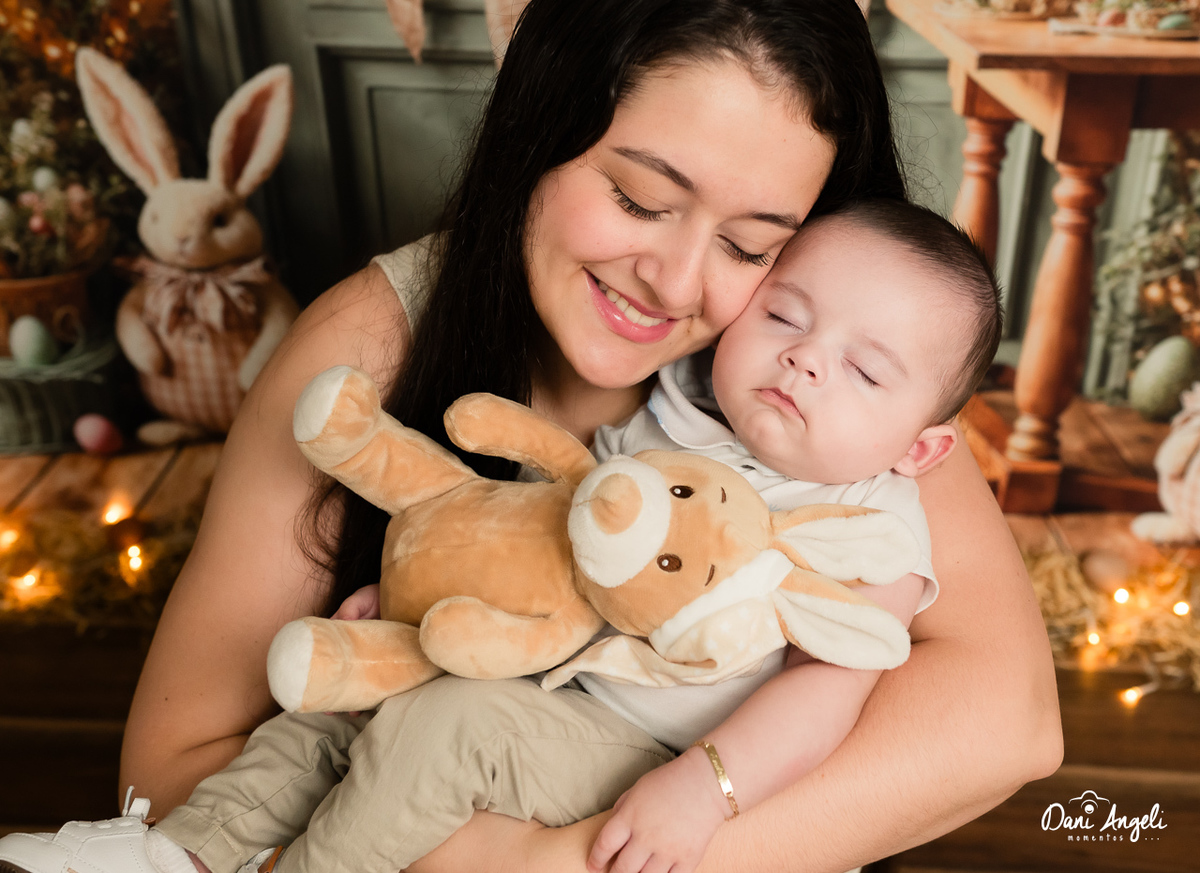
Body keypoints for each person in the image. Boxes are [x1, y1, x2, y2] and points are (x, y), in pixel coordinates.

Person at [1, 1, 1064, 873]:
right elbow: (171, 765)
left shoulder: (832, 379)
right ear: (537, 131)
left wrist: (562, 861)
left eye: (752, 246)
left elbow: (1006, 721)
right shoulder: (372, 343)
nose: (677, 284)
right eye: (640, 200)